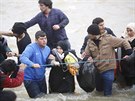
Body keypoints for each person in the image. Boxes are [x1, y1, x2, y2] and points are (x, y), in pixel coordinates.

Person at [84, 24, 132, 96]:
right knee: (98, 91)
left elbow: (124, 41)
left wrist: (129, 52)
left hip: (108, 69)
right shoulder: (89, 41)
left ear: (94, 34)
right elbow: (87, 53)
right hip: (97, 70)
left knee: (107, 93)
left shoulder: (109, 39)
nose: (88, 35)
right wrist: (87, 58)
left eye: (89, 34)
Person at [20, 30, 52, 98]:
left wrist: (52, 62)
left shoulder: (48, 49)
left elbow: (47, 61)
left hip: (41, 78)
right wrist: (32, 64)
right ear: (36, 40)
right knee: (37, 98)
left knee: (45, 98)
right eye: (41, 39)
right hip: (30, 79)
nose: (44, 41)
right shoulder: (31, 47)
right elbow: (22, 57)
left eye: (45, 38)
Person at [119, 23, 135, 87]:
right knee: (127, 80)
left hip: (133, 62)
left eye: (131, 30)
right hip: (125, 62)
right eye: (127, 30)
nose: (128, 32)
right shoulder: (123, 38)